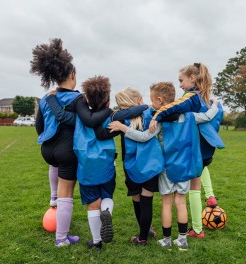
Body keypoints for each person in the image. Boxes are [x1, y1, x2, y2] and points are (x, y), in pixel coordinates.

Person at [109, 82, 215, 250]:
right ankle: (182, 239)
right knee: (180, 202)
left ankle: (164, 239)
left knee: (165, 203)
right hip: (183, 166)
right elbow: (208, 116)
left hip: (164, 166)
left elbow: (143, 137)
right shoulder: (188, 116)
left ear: (159, 100)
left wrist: (123, 128)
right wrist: (215, 104)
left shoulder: (157, 118)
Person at [47, 77, 148, 249]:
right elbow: (127, 114)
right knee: (106, 196)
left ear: (86, 99)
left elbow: (61, 115)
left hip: (86, 167)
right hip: (106, 165)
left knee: (93, 202)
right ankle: (107, 211)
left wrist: (50, 98)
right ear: (107, 98)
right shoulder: (111, 116)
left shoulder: (78, 118)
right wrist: (145, 106)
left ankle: (96, 242)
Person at [32, 38, 112, 247]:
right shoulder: (77, 99)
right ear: (73, 75)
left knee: (56, 184)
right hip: (67, 150)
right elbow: (87, 120)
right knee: (66, 195)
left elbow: (39, 126)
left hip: (47, 149)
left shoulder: (46, 97)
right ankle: (61, 239)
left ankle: (52, 198)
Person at [148, 62, 225, 239]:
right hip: (206, 151)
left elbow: (174, 109)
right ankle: (210, 197)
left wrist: (157, 115)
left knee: (193, 188)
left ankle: (197, 229)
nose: (180, 84)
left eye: (181, 80)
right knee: (198, 179)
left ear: (193, 78)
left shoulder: (191, 96)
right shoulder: (209, 98)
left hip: (192, 150)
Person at [113, 88, 163, 246]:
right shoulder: (152, 115)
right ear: (138, 100)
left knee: (137, 199)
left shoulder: (122, 121)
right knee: (147, 201)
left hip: (132, 166)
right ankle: (144, 235)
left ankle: (144, 234)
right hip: (151, 166)